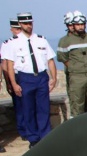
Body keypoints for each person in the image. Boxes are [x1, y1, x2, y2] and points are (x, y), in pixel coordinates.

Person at [4, 12, 57, 148]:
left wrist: (54, 77)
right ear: (20, 24)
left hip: (41, 76)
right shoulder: (13, 43)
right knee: (28, 109)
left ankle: (45, 136)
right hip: (25, 77)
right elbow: (10, 65)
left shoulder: (41, 40)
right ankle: (33, 138)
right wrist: (13, 83)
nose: (29, 25)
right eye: (25, 23)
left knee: (43, 108)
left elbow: (50, 60)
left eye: (30, 23)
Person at [57, 11, 87, 117]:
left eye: (82, 24)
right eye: (78, 24)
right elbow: (63, 57)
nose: (80, 27)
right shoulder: (66, 41)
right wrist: (74, 67)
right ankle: (77, 125)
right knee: (77, 104)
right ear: (73, 25)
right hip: (76, 76)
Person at [1, 19, 26, 142]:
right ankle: (23, 130)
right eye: (16, 29)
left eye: (20, 29)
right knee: (19, 105)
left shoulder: (29, 41)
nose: (19, 32)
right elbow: (4, 64)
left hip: (27, 75)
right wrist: (8, 82)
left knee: (30, 104)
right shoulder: (7, 44)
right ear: (12, 30)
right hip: (15, 75)